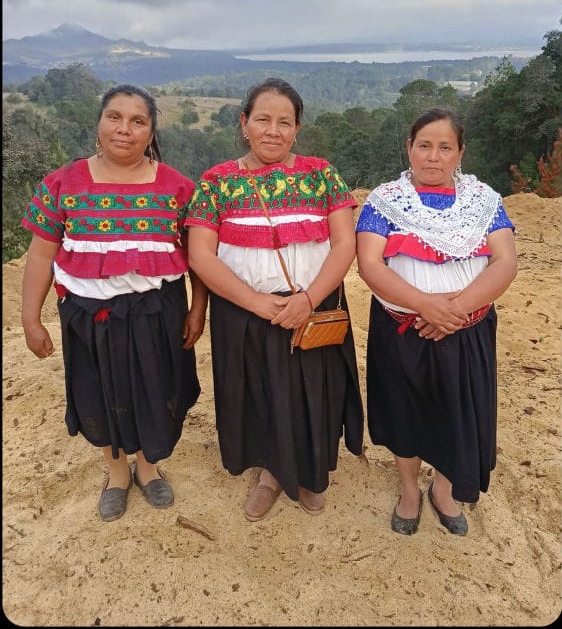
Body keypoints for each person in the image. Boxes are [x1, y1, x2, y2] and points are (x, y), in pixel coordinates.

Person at [20, 84, 206, 521]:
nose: (125, 129)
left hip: (158, 313)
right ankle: (117, 472)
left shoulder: (177, 187)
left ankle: (148, 468)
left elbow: (198, 257)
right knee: (98, 392)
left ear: (151, 131)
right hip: (88, 315)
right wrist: (31, 318)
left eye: (138, 121)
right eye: (114, 117)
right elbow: (41, 254)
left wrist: (198, 309)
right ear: (99, 124)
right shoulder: (62, 183)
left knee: (156, 388)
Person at [184, 77, 363, 521]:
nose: (273, 130)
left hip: (313, 307)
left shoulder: (322, 174)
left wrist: (309, 298)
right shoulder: (217, 182)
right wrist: (256, 303)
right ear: (244, 123)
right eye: (262, 119)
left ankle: (308, 471)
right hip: (244, 312)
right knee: (257, 389)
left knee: (313, 389)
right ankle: (269, 472)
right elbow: (201, 255)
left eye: (285, 122)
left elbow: (345, 244)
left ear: (298, 128)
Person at [354, 107, 517, 536]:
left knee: (459, 411)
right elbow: (370, 264)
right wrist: (425, 305)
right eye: (424, 145)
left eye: (445, 147)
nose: (433, 156)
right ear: (408, 148)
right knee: (405, 411)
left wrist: (454, 311)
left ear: (460, 152)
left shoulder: (484, 201)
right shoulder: (384, 201)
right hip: (402, 327)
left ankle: (443, 490)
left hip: (468, 328)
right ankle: (409, 489)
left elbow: (504, 262)